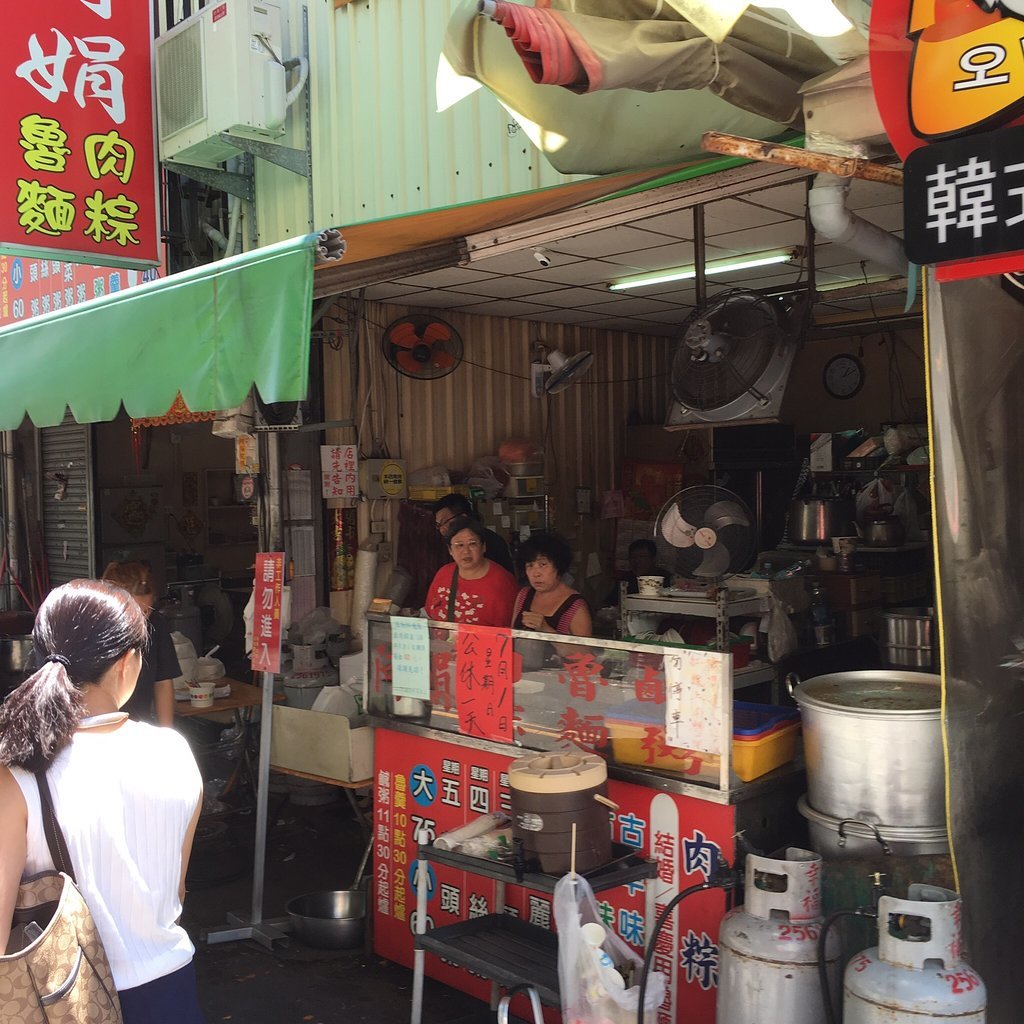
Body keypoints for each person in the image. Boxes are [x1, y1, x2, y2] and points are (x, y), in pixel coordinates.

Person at [0, 579, 205, 1023]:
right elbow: (175, 890)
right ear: (128, 662)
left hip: (62, 998)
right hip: (170, 993)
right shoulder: (175, 754)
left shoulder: (17, 778)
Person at [101, 561, 180, 727]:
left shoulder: (156, 625)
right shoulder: (96, 629)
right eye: (134, 611)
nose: (141, 620)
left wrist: (167, 733)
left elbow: (163, 683)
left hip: (139, 725)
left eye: (147, 611)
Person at [424, 516, 519, 626]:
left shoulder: (503, 582)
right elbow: (429, 614)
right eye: (459, 545)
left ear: (483, 547)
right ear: (450, 550)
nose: (466, 551)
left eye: (472, 544)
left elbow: (510, 631)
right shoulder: (444, 574)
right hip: (442, 643)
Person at [513, 532, 592, 636]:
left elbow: (585, 651)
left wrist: (546, 630)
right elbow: (511, 637)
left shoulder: (575, 606)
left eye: (543, 565)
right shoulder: (524, 595)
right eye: (530, 565)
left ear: (558, 566)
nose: (536, 573)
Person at [433, 493, 515, 575]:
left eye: (445, 522)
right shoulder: (441, 548)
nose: (442, 529)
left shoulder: (492, 541)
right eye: (438, 525)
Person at [608, 538, 674, 603]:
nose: (636, 561)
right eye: (633, 557)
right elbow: (610, 603)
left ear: (653, 559)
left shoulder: (666, 579)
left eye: (641, 557)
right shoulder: (626, 579)